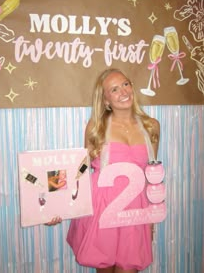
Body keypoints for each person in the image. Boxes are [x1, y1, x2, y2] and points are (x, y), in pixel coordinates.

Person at [48, 68, 160, 273]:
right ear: (106, 100)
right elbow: (79, 172)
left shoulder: (151, 126)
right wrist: (54, 207)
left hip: (135, 212)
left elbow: (151, 176)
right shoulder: (97, 126)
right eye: (114, 89)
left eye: (126, 84)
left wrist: (152, 217)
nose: (123, 92)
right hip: (102, 210)